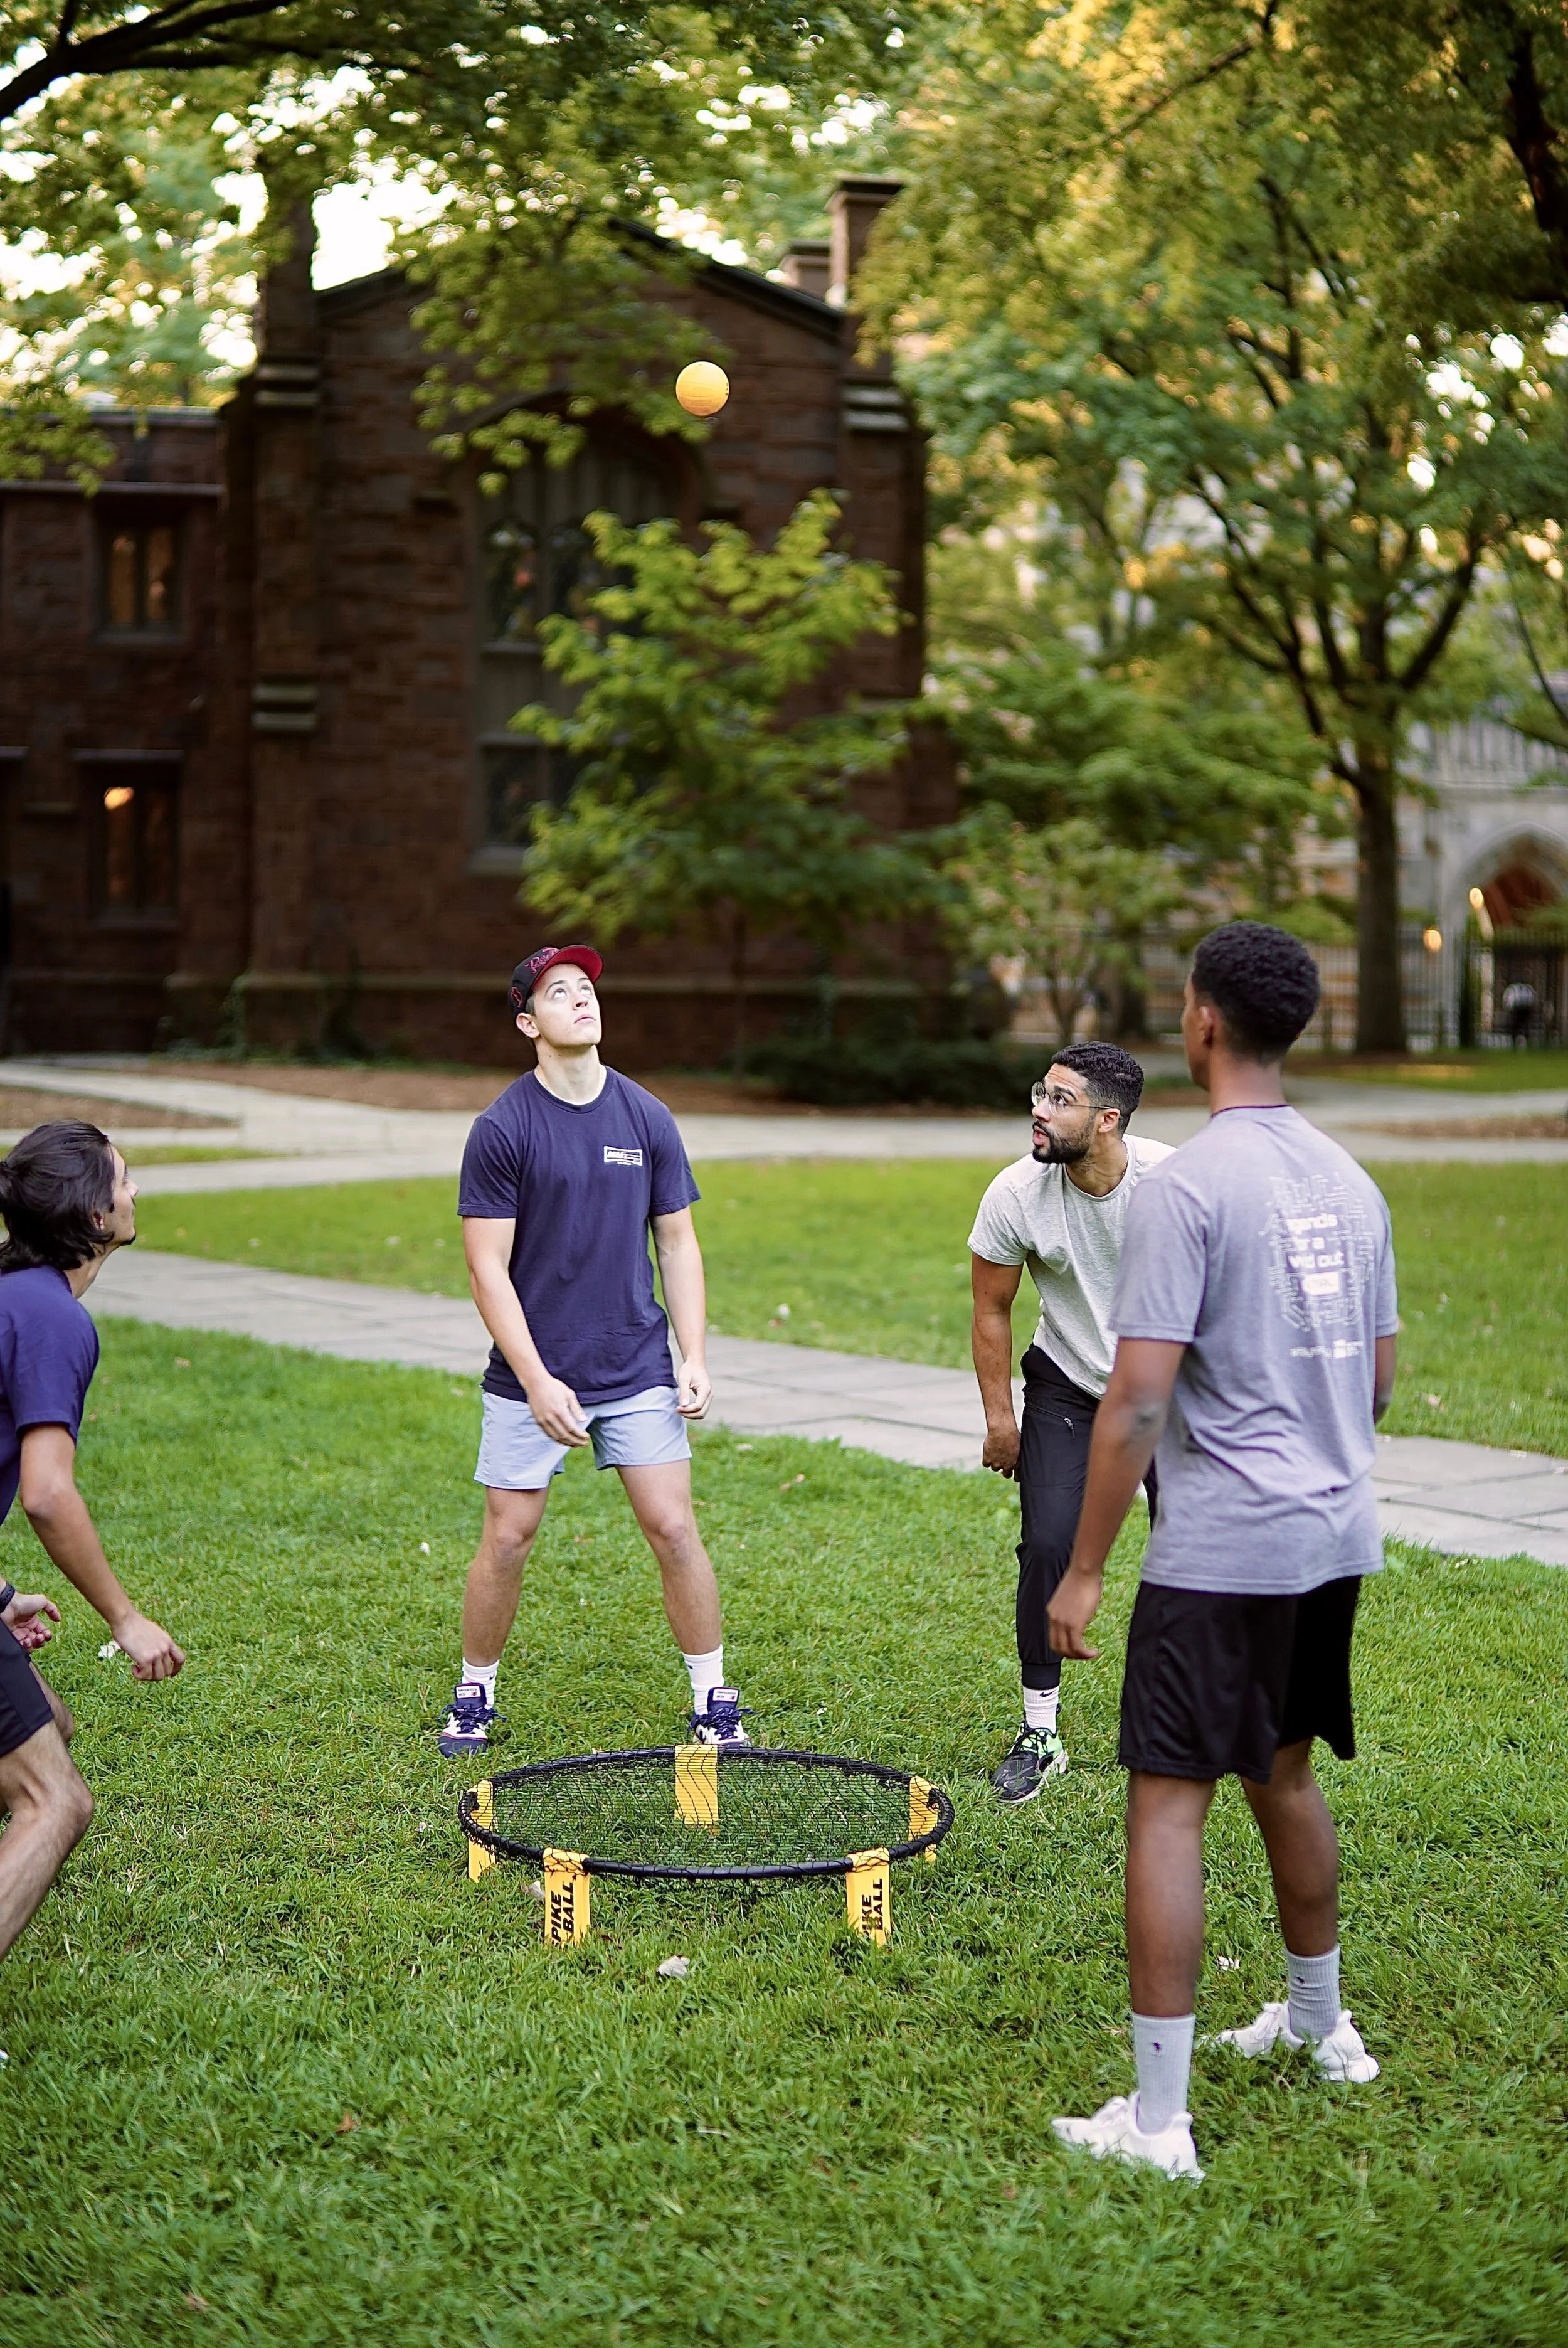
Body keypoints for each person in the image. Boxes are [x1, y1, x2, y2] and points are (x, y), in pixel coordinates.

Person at [1047, 923, 1397, 2181]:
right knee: (1283, 1771)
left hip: (1222, 1548)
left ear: (1199, 1021)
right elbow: (1374, 1382)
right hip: (1330, 1531)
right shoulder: (1349, 1179)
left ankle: (1155, 2121)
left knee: (1166, 1803)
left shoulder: (1183, 1185)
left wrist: (1082, 1566)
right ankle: (1320, 2027)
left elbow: (1135, 1401)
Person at [438, 945, 748, 1756]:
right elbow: (486, 1270)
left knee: (674, 1526)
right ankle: (476, 1690)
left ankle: (713, 1696)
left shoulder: (644, 1115)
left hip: (635, 1363)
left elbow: (678, 1244)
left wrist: (694, 1353)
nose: (580, 998)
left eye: (586, 987)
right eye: (558, 991)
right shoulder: (503, 1128)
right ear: (526, 1020)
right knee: (507, 1537)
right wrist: (537, 1379)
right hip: (532, 1375)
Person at [0, 1122, 186, 1977]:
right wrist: (126, 1613)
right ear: (91, 1210)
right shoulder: (50, 1318)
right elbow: (46, 1490)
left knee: (54, 1726)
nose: (136, 1192)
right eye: (125, 1179)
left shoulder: (17, 1294)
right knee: (56, 1799)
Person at [968, 1044, 1173, 1803]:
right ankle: (1040, 1731)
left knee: (1191, 1547)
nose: (1038, 1110)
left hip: (1168, 1392)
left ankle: (1190, 1709)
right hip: (1069, 1386)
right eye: (1039, 1093)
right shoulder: (1017, 1191)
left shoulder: (1173, 1184)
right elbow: (991, 1307)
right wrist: (999, 1419)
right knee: (1049, 1541)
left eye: (1059, 1100)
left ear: (1107, 1120)